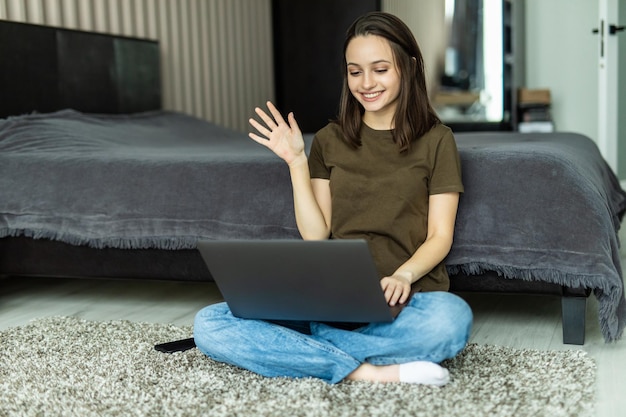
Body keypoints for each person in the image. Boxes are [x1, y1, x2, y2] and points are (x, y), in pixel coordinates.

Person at [194, 11, 472, 386]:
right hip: (333, 300)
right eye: (355, 72)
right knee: (208, 324)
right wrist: (296, 161)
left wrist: (404, 274)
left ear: (409, 67)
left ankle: (298, 350)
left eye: (380, 70)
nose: (366, 83)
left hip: (410, 300)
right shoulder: (329, 140)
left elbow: (440, 235)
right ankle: (368, 372)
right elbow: (316, 235)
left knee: (451, 322)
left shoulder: (438, 140)